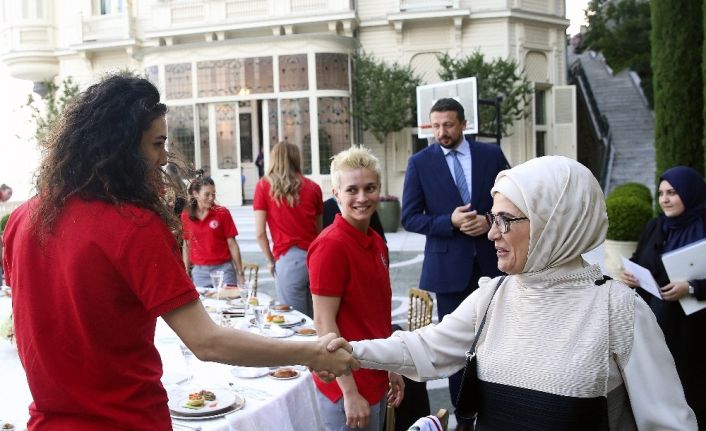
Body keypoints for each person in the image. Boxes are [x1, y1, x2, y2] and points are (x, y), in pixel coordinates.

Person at [1, 73, 355, 430]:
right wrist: (309, 352)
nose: (164, 157)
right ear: (120, 148)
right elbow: (207, 341)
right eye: (157, 143)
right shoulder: (133, 225)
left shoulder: (22, 218)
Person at [331, 156, 697, 430]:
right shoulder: (495, 296)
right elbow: (424, 348)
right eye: (494, 218)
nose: (492, 233)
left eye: (506, 220)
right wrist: (345, 353)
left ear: (554, 223)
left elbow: (668, 424)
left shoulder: (618, 310)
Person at [401, 97, 509, 413]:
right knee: (456, 346)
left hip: (494, 261)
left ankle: (499, 408)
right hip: (448, 270)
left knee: (498, 337)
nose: (441, 132)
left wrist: (489, 219)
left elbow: (514, 198)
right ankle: (462, 413)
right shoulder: (420, 162)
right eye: (435, 126)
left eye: (448, 125)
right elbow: (410, 217)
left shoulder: (491, 154)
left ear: (464, 124)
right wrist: (449, 221)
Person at [308, 146, 404, 430]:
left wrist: (392, 366)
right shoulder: (331, 246)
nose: (362, 198)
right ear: (336, 194)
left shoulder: (375, 240)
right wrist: (349, 392)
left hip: (374, 375)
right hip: (348, 385)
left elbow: (377, 315)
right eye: (352, 190)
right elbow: (324, 323)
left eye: (369, 188)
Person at [622, 166, 706, 427]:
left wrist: (691, 287)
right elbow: (638, 260)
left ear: (690, 193)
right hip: (656, 320)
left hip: (695, 329)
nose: (665, 199)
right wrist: (630, 276)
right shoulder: (655, 226)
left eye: (672, 192)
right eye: (660, 193)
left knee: (691, 384)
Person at [253, 141, 323, 316]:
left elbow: (260, 234)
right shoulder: (314, 188)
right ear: (296, 159)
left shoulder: (264, 187)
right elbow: (320, 231)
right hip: (316, 258)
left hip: (289, 260)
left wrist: (271, 261)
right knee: (318, 321)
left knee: (296, 323)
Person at [181, 176, 244, 287]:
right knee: (205, 304)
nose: (211, 198)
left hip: (224, 270)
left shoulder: (222, 213)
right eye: (207, 194)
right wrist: (186, 271)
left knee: (230, 303)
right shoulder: (186, 215)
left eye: (213, 194)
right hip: (200, 273)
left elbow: (232, 244)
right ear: (196, 194)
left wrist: (240, 272)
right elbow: (186, 245)